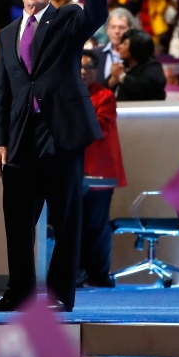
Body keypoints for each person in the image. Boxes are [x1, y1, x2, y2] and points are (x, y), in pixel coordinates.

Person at [0, 0, 108, 313]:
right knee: (17, 221)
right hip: (20, 138)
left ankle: (57, 296)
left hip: (61, 132)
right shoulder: (6, 35)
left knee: (66, 219)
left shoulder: (68, 18)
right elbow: (3, 94)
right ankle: (19, 292)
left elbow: (94, 16)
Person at [78, 50, 126, 288]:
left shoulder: (105, 96)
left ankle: (98, 275)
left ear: (96, 71)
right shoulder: (66, 94)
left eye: (88, 67)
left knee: (96, 224)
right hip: (74, 171)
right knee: (74, 224)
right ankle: (77, 272)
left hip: (99, 172)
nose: (83, 71)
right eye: (79, 67)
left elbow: (99, 127)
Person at [107, 28, 167, 101]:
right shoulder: (122, 66)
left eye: (125, 44)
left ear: (136, 47)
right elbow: (103, 88)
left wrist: (121, 77)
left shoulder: (153, 66)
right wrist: (112, 81)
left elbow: (145, 88)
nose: (120, 47)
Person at [93, 8, 135, 86]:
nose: (117, 31)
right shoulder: (95, 54)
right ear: (107, 29)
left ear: (131, 30)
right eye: (113, 27)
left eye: (122, 28)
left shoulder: (136, 57)